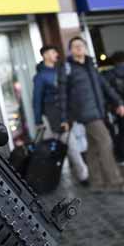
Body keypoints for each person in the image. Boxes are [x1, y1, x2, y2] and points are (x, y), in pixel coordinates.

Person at [58, 37, 124, 194]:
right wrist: (63, 118)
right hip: (86, 113)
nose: (79, 48)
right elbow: (62, 96)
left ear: (86, 48)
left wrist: (119, 102)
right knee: (106, 141)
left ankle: (96, 183)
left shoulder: (90, 66)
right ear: (70, 50)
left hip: (98, 111)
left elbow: (105, 86)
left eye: (81, 45)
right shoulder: (67, 69)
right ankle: (116, 182)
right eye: (75, 46)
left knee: (93, 148)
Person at [31, 45, 89, 184]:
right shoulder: (40, 76)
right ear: (45, 55)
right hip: (54, 116)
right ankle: (83, 175)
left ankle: (77, 173)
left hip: (69, 113)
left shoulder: (60, 70)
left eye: (56, 51)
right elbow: (37, 99)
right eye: (53, 51)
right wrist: (38, 119)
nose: (56, 53)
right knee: (70, 145)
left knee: (72, 144)